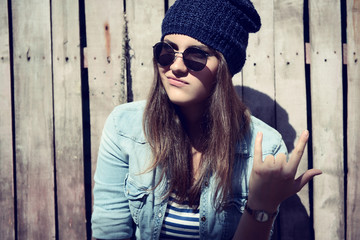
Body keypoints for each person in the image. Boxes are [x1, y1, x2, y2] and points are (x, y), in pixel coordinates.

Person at [91, 0, 322, 239]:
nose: (176, 66)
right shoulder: (124, 127)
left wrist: (261, 205)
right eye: (167, 51)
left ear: (225, 68)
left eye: (196, 56)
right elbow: (110, 233)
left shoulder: (264, 149)